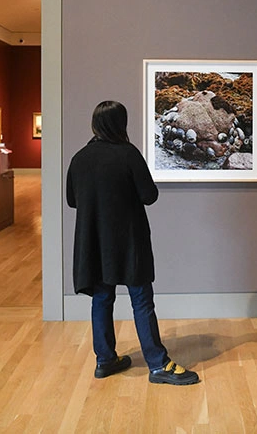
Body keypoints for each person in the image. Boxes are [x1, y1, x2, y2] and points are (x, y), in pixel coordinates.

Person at [66, 100, 199, 385]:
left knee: (102, 298)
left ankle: (105, 359)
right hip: (127, 240)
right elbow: (149, 195)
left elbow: (71, 200)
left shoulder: (79, 158)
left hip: (95, 242)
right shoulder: (127, 154)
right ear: (120, 124)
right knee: (141, 300)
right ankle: (158, 364)